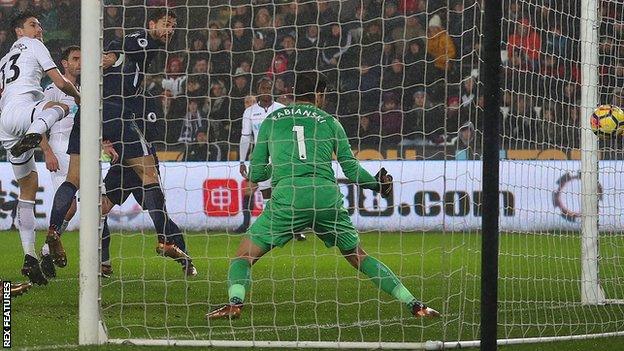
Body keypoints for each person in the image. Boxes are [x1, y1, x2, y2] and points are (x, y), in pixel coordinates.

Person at [206, 72, 439, 320]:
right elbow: (350, 169)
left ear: (294, 92)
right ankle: (415, 305)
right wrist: (378, 186)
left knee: (243, 257)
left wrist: (277, 169)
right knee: (359, 256)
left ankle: (235, 303)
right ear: (319, 94)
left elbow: (257, 171)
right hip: (326, 198)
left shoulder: (272, 120)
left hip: (289, 198)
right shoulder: (330, 121)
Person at [46, 8, 196, 277]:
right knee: (151, 177)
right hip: (116, 113)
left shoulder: (141, 65)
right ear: (152, 23)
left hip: (91, 111)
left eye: (172, 26)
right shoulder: (142, 38)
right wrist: (113, 55)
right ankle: (166, 240)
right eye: (165, 24)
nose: (169, 30)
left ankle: (54, 229)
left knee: (75, 180)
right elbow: (123, 45)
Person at [0, 11, 80, 285]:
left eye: (41, 26)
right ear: (19, 32)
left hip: (7, 123)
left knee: (28, 187)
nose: (39, 29)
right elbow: (59, 82)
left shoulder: (2, 61)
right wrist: (81, 96)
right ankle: (36, 132)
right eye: (33, 25)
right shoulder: (33, 45)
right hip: (27, 113)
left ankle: (30, 257)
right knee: (61, 106)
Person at [38, 46, 80, 278]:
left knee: (94, 205)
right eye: (75, 59)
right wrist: (47, 152)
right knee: (71, 207)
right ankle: (46, 250)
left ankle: (47, 249)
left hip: (81, 149)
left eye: (82, 59)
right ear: (64, 63)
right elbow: (39, 120)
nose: (80, 63)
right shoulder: (53, 88)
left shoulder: (85, 87)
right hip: (60, 147)